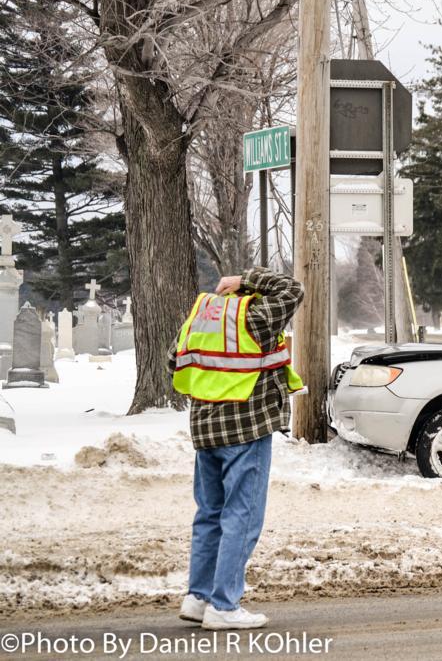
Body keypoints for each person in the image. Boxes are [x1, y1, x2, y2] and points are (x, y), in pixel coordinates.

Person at [169, 268, 304, 630]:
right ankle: (224, 605)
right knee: (241, 517)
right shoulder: (256, 318)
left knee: (210, 515)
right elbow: (292, 289)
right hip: (246, 428)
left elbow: (173, 361)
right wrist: (246, 279)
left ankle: (198, 597)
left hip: (205, 431)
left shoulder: (199, 321)